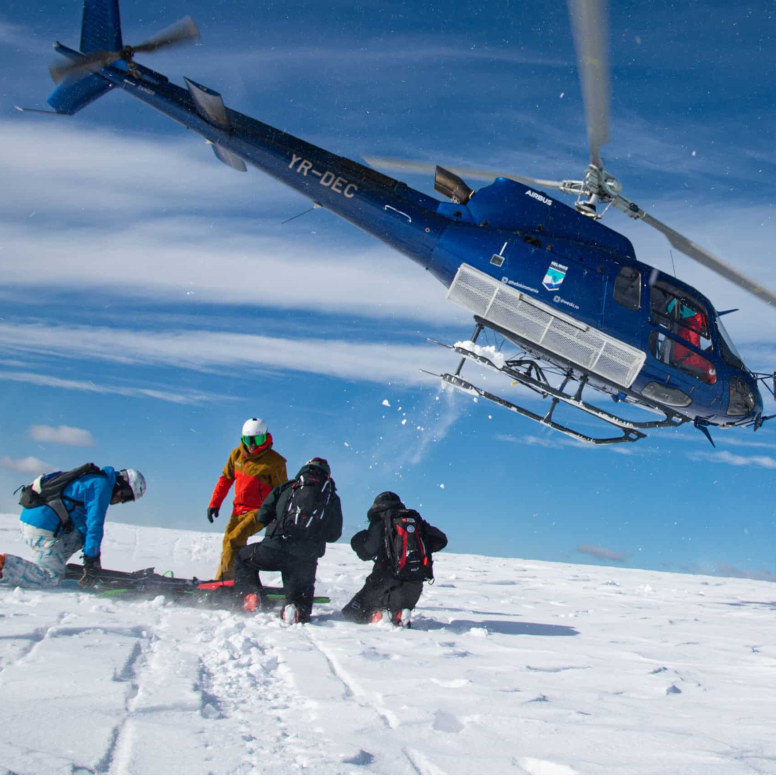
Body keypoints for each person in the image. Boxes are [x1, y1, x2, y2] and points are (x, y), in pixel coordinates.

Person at [0, 466, 146, 589]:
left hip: (39, 521)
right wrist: (92, 560)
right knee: (50, 578)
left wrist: (90, 563)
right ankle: (3, 566)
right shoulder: (101, 486)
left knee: (81, 538)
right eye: (126, 495)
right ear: (122, 482)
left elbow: (84, 526)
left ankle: (53, 564)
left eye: (127, 500)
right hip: (42, 526)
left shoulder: (95, 480)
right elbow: (95, 524)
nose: (121, 500)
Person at [234, 457, 342, 623]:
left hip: (273, 549)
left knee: (243, 557)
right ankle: (295, 609)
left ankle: (251, 595)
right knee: (300, 593)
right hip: (305, 558)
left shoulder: (287, 487)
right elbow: (334, 534)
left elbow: (262, 515)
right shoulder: (331, 497)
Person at [342, 491, 447, 627]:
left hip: (383, 582)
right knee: (398, 605)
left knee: (350, 614)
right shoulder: (415, 521)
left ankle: (379, 616)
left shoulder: (382, 520)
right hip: (414, 585)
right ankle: (398, 614)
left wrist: (357, 541)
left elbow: (366, 552)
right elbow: (441, 539)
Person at [207, 418, 288, 580]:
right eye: (248, 440)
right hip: (238, 509)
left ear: (265, 438)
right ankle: (231, 580)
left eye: (257, 440)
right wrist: (215, 503)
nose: (253, 445)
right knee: (228, 543)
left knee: (235, 539)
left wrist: (281, 518)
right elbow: (226, 479)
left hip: (259, 511)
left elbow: (282, 492)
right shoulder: (236, 455)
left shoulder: (275, 462)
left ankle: (225, 581)